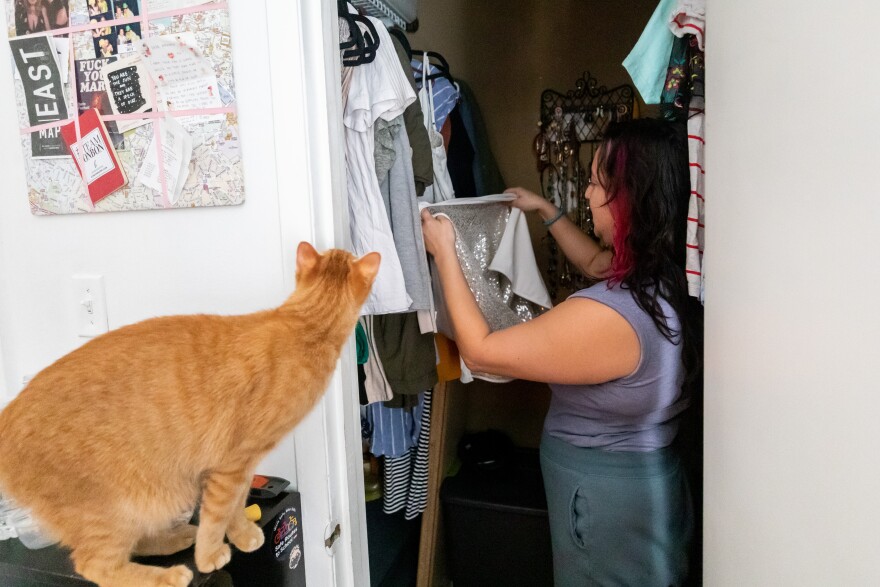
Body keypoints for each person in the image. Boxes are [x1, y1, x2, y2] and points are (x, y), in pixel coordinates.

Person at [421, 118, 697, 586]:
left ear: (632, 197)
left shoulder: (612, 317)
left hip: (605, 502)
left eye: (595, 183)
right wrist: (545, 209)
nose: (587, 196)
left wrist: (445, 252)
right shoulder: (666, 277)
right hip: (641, 486)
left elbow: (481, 352)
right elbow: (594, 261)